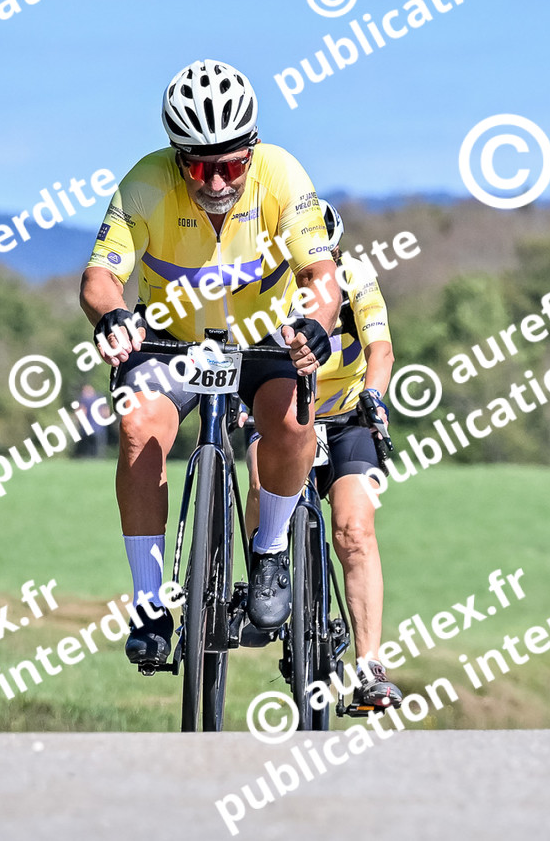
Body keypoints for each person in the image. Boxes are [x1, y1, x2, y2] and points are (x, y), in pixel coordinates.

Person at [79, 58, 340, 668]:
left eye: (231, 165)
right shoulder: (144, 184)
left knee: (293, 423)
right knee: (138, 426)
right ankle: (150, 604)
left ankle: (270, 547)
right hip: (173, 341)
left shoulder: (281, 174)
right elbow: (100, 278)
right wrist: (112, 317)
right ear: (177, 159)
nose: (217, 181)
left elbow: (320, 274)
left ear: (252, 150)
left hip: (263, 339)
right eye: (200, 166)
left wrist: (315, 326)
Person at [241, 199, 401, 710]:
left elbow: (381, 350)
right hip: (284, 413)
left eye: (324, 256)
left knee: (354, 530)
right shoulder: (265, 284)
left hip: (346, 415)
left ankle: (369, 665)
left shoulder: (356, 278)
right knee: (260, 485)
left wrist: (374, 396)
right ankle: (265, 575)